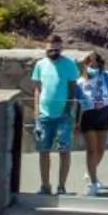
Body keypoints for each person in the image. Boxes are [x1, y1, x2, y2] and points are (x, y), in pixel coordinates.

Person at [29, 34, 82, 196]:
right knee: (44, 150)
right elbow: (37, 89)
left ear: (61, 48)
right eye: (51, 48)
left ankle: (61, 187)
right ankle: (45, 186)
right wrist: (37, 113)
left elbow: (73, 88)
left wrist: (68, 109)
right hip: (44, 115)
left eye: (57, 48)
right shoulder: (40, 65)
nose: (53, 51)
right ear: (46, 48)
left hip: (63, 115)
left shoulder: (70, 64)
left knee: (64, 150)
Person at [76, 51, 108, 197]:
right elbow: (78, 105)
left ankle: (89, 172)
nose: (92, 65)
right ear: (85, 65)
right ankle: (93, 183)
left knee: (101, 150)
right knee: (91, 150)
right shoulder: (80, 81)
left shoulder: (106, 76)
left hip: (103, 114)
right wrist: (77, 123)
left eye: (95, 62)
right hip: (89, 115)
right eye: (89, 62)